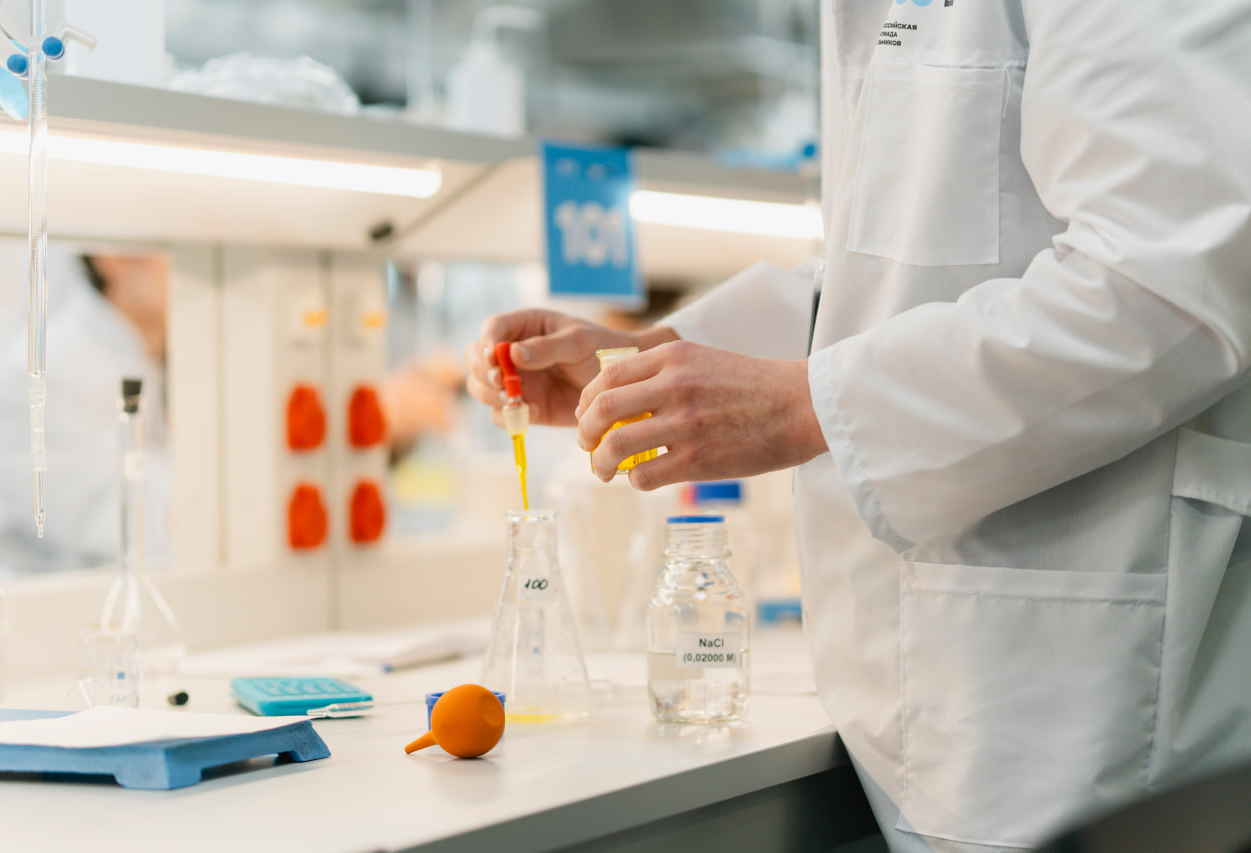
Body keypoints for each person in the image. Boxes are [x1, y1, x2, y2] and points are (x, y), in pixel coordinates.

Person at [466, 4, 1251, 852]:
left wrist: (802, 404)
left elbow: (1172, 279)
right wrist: (653, 360)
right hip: (942, 699)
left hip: (1080, 701)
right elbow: (891, 271)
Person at [0, 251, 170, 574]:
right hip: (43, 597)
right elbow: (114, 527)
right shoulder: (47, 371)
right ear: (111, 258)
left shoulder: (151, 353)